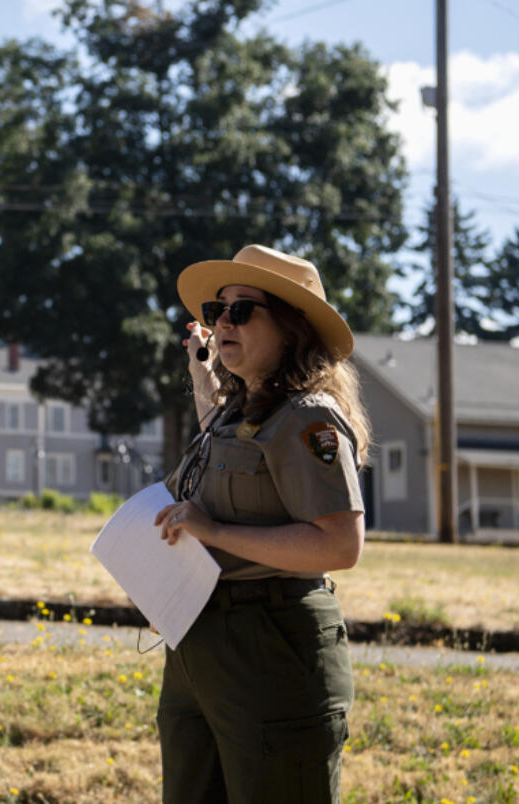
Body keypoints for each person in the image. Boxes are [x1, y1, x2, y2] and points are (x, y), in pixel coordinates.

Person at [152, 244, 369, 803]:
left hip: (271, 647)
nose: (222, 321)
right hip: (198, 645)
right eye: (216, 310)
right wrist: (205, 373)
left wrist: (217, 534)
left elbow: (340, 544)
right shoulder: (235, 411)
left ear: (292, 329)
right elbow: (229, 454)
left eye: (242, 311)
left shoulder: (308, 417)